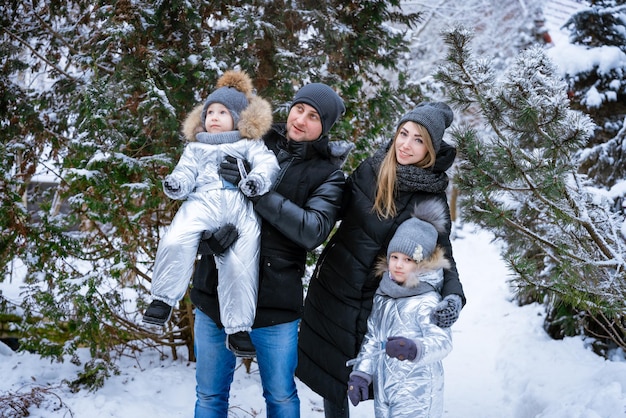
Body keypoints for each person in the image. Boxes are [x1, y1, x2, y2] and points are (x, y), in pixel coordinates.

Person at [190, 82, 353, 417]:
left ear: (325, 127)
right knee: (209, 396)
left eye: (313, 117)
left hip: (274, 306)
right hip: (215, 293)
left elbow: (312, 230)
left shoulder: (329, 176)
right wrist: (205, 239)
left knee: (280, 398)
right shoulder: (249, 142)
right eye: (299, 109)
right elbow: (200, 193)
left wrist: (255, 191)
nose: (301, 120)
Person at [296, 102, 466, 417]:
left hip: (374, 302)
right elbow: (332, 208)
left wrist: (453, 296)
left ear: (430, 149)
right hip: (333, 289)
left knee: (378, 384)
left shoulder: (430, 198)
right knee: (332, 381)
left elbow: (443, 257)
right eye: (404, 133)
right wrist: (326, 168)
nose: (406, 144)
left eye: (418, 139)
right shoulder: (372, 168)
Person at [143, 70, 280, 357]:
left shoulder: (249, 144)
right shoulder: (196, 147)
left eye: (222, 112)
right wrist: (177, 183)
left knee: (240, 265)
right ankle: (163, 300)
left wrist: (254, 181)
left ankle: (239, 329)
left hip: (238, 206)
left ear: (238, 118)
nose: (214, 117)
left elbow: (268, 165)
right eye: (210, 112)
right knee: (175, 239)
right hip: (200, 203)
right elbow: (185, 172)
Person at [347, 199, 453, 417]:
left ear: (421, 263)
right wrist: (362, 373)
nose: (398, 264)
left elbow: (442, 342)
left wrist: (414, 348)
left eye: (407, 259)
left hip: (418, 391)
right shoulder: (384, 294)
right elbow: (373, 337)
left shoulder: (427, 299)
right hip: (386, 388)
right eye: (394, 257)